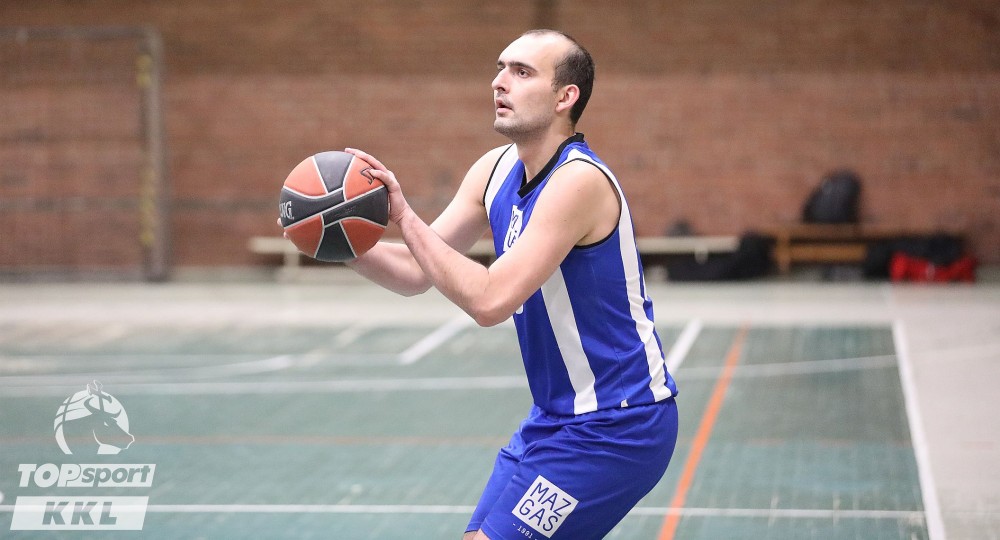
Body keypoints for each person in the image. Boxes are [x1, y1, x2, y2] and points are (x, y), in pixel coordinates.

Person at [343, 29, 678, 540]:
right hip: (553, 419)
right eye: (501, 68)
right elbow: (416, 270)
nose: (499, 82)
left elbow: (490, 300)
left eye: (522, 72)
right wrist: (338, 244)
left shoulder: (578, 181)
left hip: (618, 426)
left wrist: (403, 215)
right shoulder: (494, 169)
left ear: (566, 97)